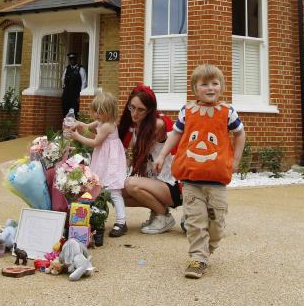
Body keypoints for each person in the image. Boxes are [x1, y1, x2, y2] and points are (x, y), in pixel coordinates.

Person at [154, 64, 245, 279]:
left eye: (215, 83)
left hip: (217, 181)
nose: (210, 88)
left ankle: (206, 248)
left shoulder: (228, 112)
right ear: (195, 88)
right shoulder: (187, 112)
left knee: (216, 225)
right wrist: (161, 155)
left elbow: (240, 135)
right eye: (204, 84)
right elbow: (175, 135)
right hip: (191, 179)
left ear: (221, 86)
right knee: (195, 221)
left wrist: (236, 160)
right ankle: (198, 257)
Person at [119, 84, 181, 235]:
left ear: (150, 111)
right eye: (132, 107)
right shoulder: (136, 128)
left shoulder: (157, 126)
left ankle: (163, 216)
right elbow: (129, 154)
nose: (134, 113)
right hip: (155, 183)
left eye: (140, 110)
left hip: (171, 186)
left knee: (131, 184)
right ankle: (157, 211)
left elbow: (139, 148)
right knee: (117, 192)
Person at [67, 91, 127, 238]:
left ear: (109, 112)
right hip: (103, 159)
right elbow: (87, 126)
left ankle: (121, 221)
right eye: (96, 112)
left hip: (111, 162)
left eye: (101, 112)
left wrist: (77, 136)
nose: (97, 115)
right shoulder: (101, 122)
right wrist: (77, 124)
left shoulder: (107, 125)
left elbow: (95, 142)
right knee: (96, 187)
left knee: (114, 190)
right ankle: (93, 217)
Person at [61, 52, 86, 117]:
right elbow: (63, 79)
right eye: (70, 59)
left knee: (74, 112)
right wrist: (63, 89)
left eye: (73, 59)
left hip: (76, 94)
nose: (72, 61)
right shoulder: (67, 68)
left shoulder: (81, 69)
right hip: (67, 94)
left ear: (76, 59)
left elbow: (84, 82)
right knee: (65, 111)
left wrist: (81, 94)